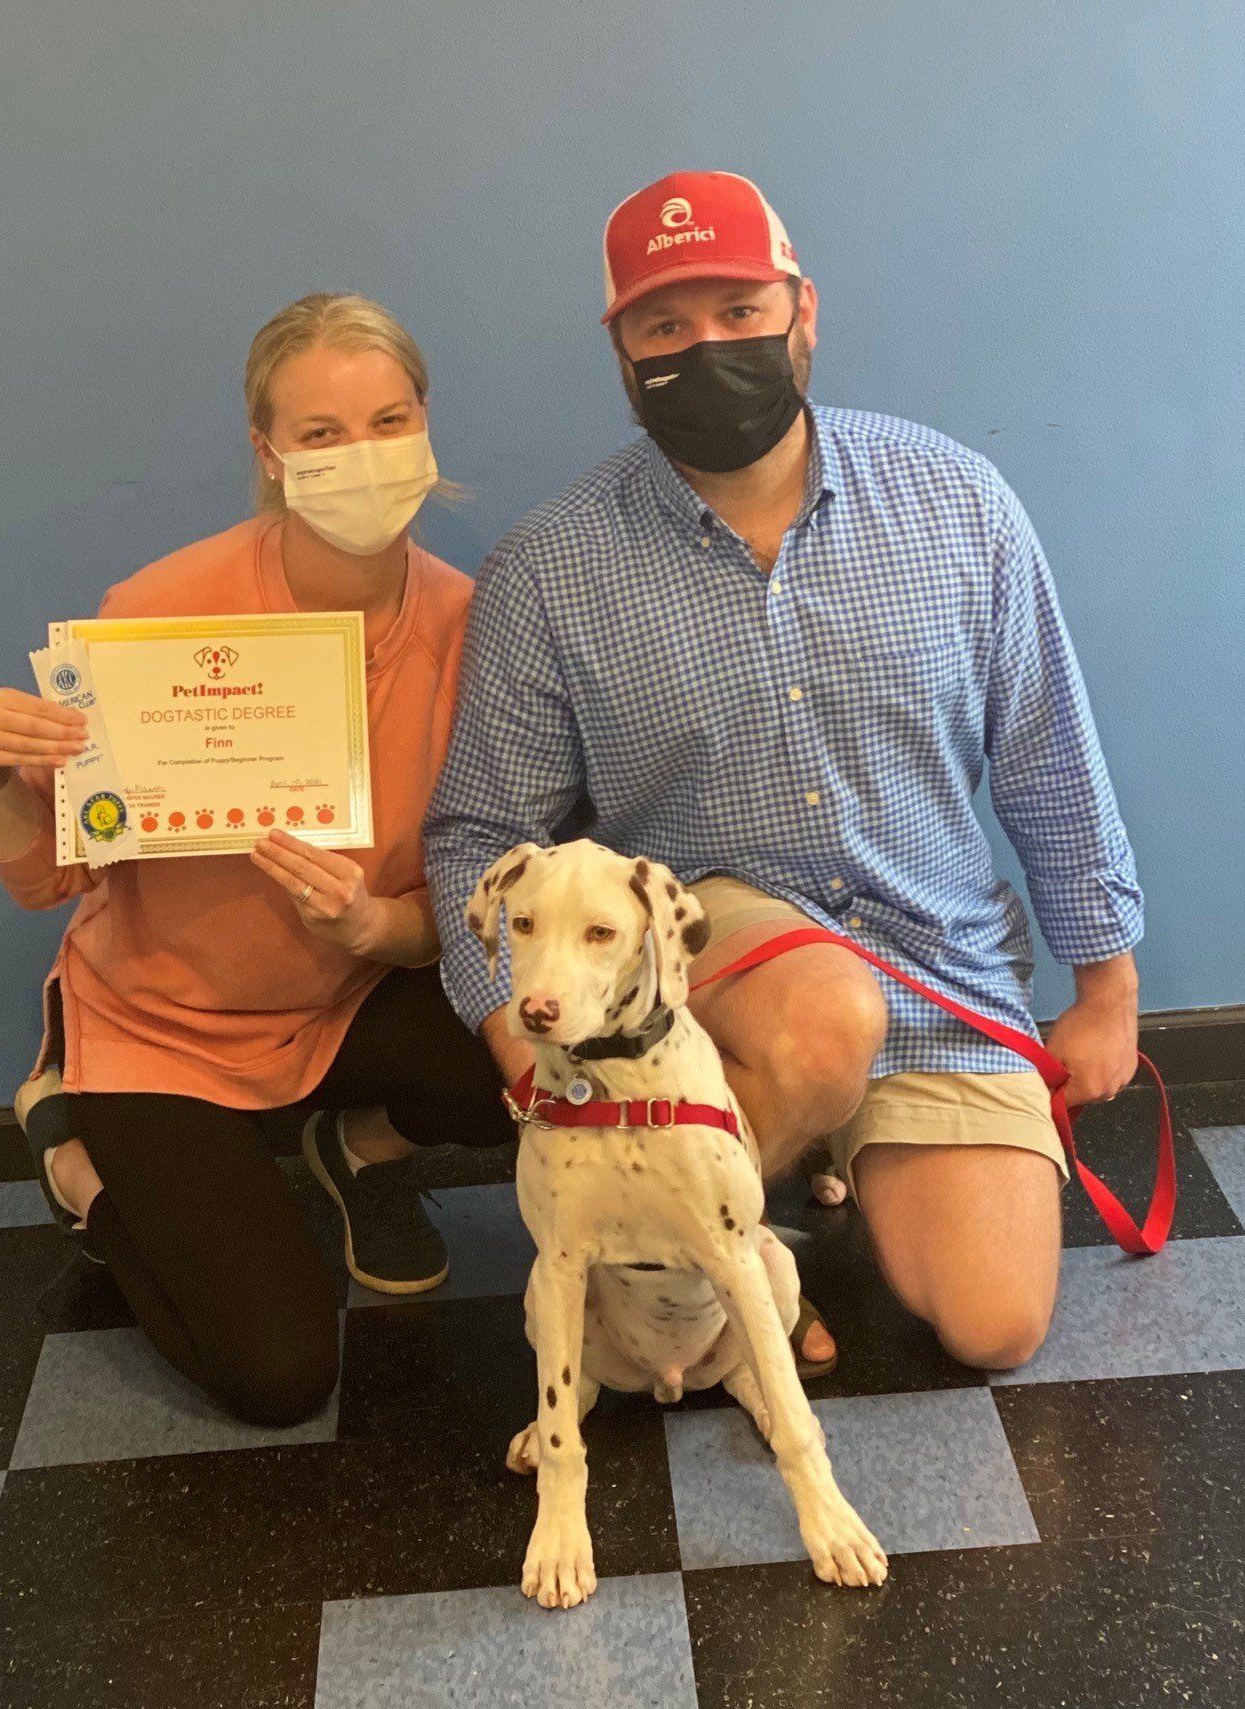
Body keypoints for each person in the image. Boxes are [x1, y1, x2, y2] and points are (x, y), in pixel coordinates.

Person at [424, 171, 1144, 1375]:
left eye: (739, 311)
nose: (706, 346)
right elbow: (478, 831)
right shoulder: (549, 567)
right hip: (722, 960)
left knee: (994, 1323)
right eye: (664, 326)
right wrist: (523, 1063)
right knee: (824, 1027)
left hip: (937, 955)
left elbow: (1047, 757)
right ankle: (705, 1263)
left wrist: (1107, 991)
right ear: (622, 354)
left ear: (802, 311)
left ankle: (817, 1150)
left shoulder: (956, 501)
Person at [0, 292, 509, 1426]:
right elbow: (45, 875)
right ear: (267, 453)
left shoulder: (475, 625)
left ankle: (348, 1149)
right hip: (163, 1032)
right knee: (276, 1375)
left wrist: (377, 928)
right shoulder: (159, 614)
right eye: (320, 434)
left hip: (348, 1001)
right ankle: (76, 1157)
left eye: (387, 420)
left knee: (538, 1043)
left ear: (426, 425)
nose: (362, 457)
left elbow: (477, 889)